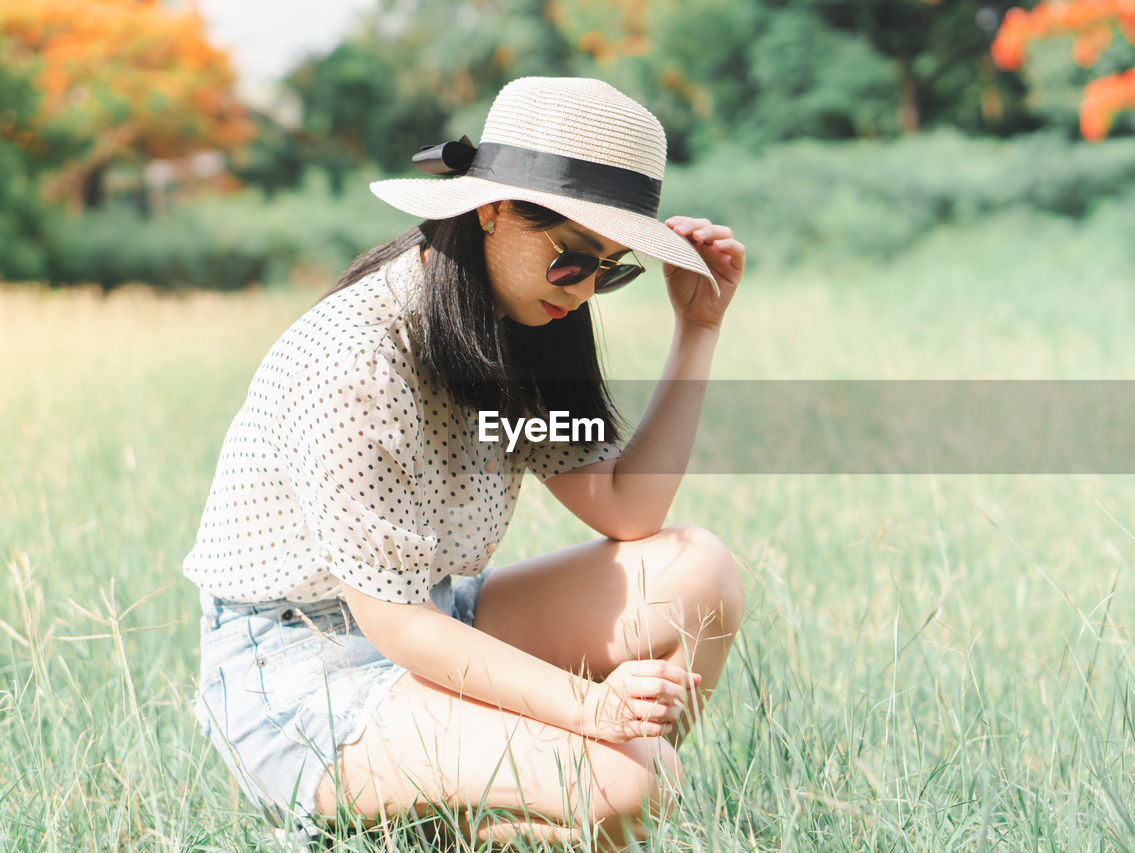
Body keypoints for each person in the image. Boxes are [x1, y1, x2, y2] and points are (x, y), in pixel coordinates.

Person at [184, 76, 746, 850]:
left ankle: (581, 808)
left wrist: (699, 330)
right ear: (490, 209)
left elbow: (626, 509)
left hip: (438, 614)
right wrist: (592, 712)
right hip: (302, 666)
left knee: (698, 572)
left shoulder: (519, 322)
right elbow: (397, 625)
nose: (583, 292)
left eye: (611, 270)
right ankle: (561, 804)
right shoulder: (357, 360)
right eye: (571, 260)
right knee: (631, 778)